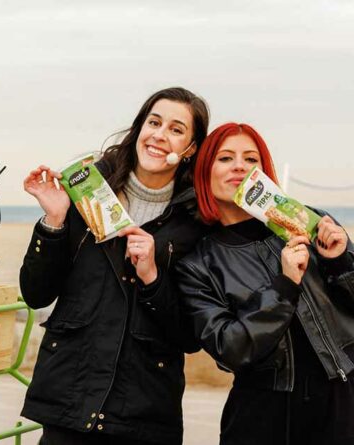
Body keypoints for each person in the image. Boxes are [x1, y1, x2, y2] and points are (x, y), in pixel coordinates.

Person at [20, 87, 210, 445]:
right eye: (154, 122)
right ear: (139, 128)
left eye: (176, 129)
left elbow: (190, 335)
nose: (159, 135)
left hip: (143, 412)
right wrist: (55, 221)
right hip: (70, 402)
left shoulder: (195, 222)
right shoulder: (88, 193)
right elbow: (35, 293)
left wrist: (153, 277)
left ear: (191, 149)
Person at [175, 122, 354, 445]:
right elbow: (230, 349)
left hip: (341, 401)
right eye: (225, 158)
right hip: (263, 416)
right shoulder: (198, 264)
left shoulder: (310, 222)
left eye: (251, 159)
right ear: (205, 172)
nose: (240, 166)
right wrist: (284, 286)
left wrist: (339, 262)